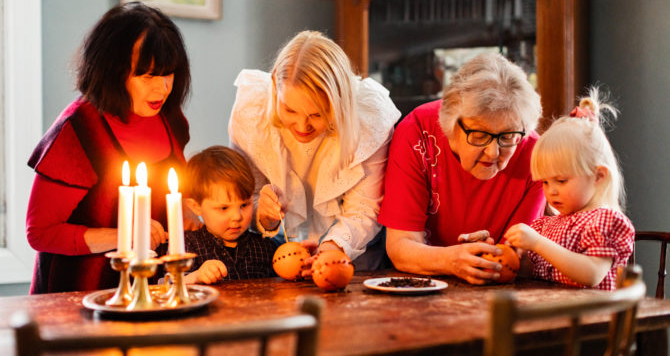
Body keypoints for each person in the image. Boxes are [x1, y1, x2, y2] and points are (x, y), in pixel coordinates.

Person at [25, 2, 191, 294]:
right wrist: (124, 236)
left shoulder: (170, 119)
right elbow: (40, 233)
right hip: (80, 297)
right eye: (147, 75)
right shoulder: (77, 131)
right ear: (112, 72)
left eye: (169, 73)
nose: (162, 89)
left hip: (155, 291)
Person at [228, 30, 401, 271]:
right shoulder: (250, 112)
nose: (302, 126)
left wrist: (332, 249)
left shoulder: (370, 119)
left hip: (351, 261)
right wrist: (264, 214)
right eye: (289, 110)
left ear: (341, 100)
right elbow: (247, 196)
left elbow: (363, 208)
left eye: (317, 114)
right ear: (275, 82)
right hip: (277, 257)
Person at [379, 53, 545, 284]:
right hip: (420, 289)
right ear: (449, 124)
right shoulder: (417, 132)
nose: (493, 152)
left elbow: (517, 256)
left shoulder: (536, 155)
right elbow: (400, 246)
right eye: (479, 134)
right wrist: (451, 259)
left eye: (507, 136)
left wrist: (488, 255)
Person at [504, 89, 634, 290]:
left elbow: (591, 274)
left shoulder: (604, 222)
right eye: (545, 182)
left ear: (598, 176)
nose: (551, 191)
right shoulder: (547, 226)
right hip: (556, 312)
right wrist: (516, 260)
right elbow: (538, 273)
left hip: (593, 318)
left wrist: (537, 243)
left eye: (561, 181)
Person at [163, 146, 277, 284]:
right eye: (224, 208)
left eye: (244, 205)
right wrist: (196, 277)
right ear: (196, 207)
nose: (237, 216)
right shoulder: (187, 246)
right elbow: (167, 285)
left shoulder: (266, 247)